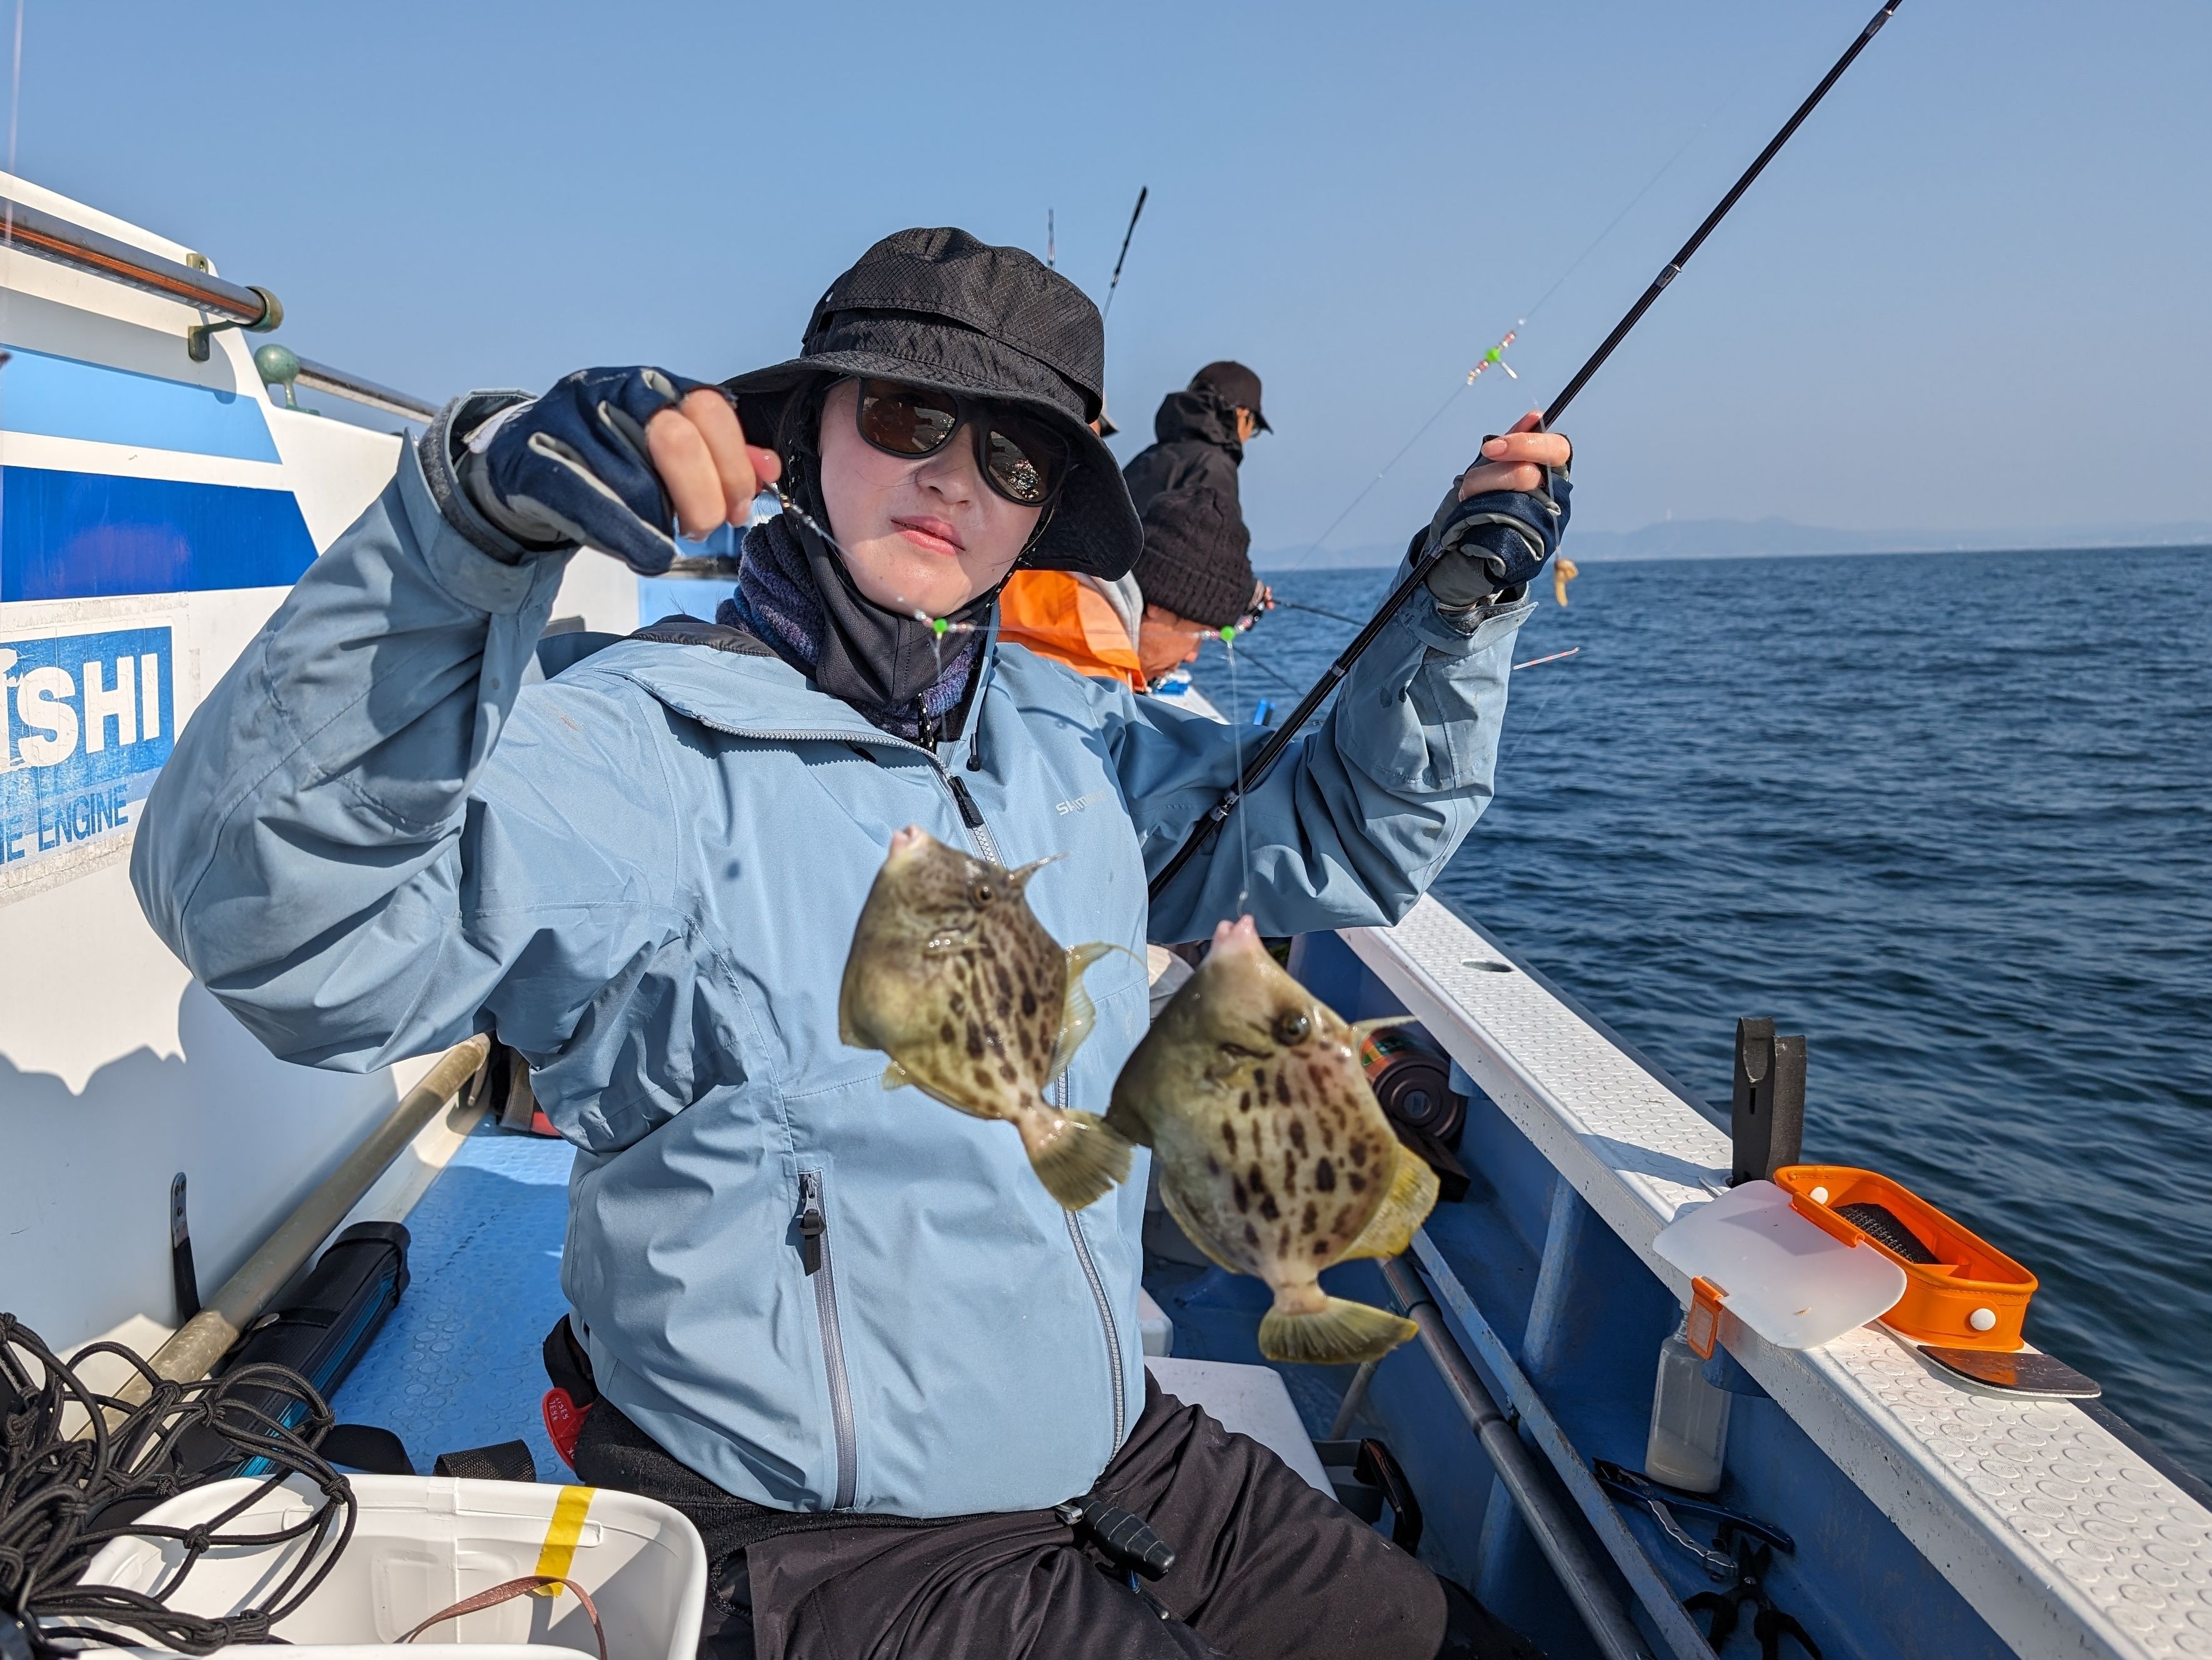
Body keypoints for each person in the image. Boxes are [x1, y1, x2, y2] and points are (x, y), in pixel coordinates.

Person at [131, 227, 1571, 1659]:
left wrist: (1455, 617)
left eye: (1016, 457)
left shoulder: (1065, 743)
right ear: (806, 430)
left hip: (1116, 1444)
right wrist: (468, 532)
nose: (955, 476)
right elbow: (283, 935)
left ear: (1042, 514)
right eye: (906, 413)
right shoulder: (638, 747)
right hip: (827, 1544)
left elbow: (1345, 830)